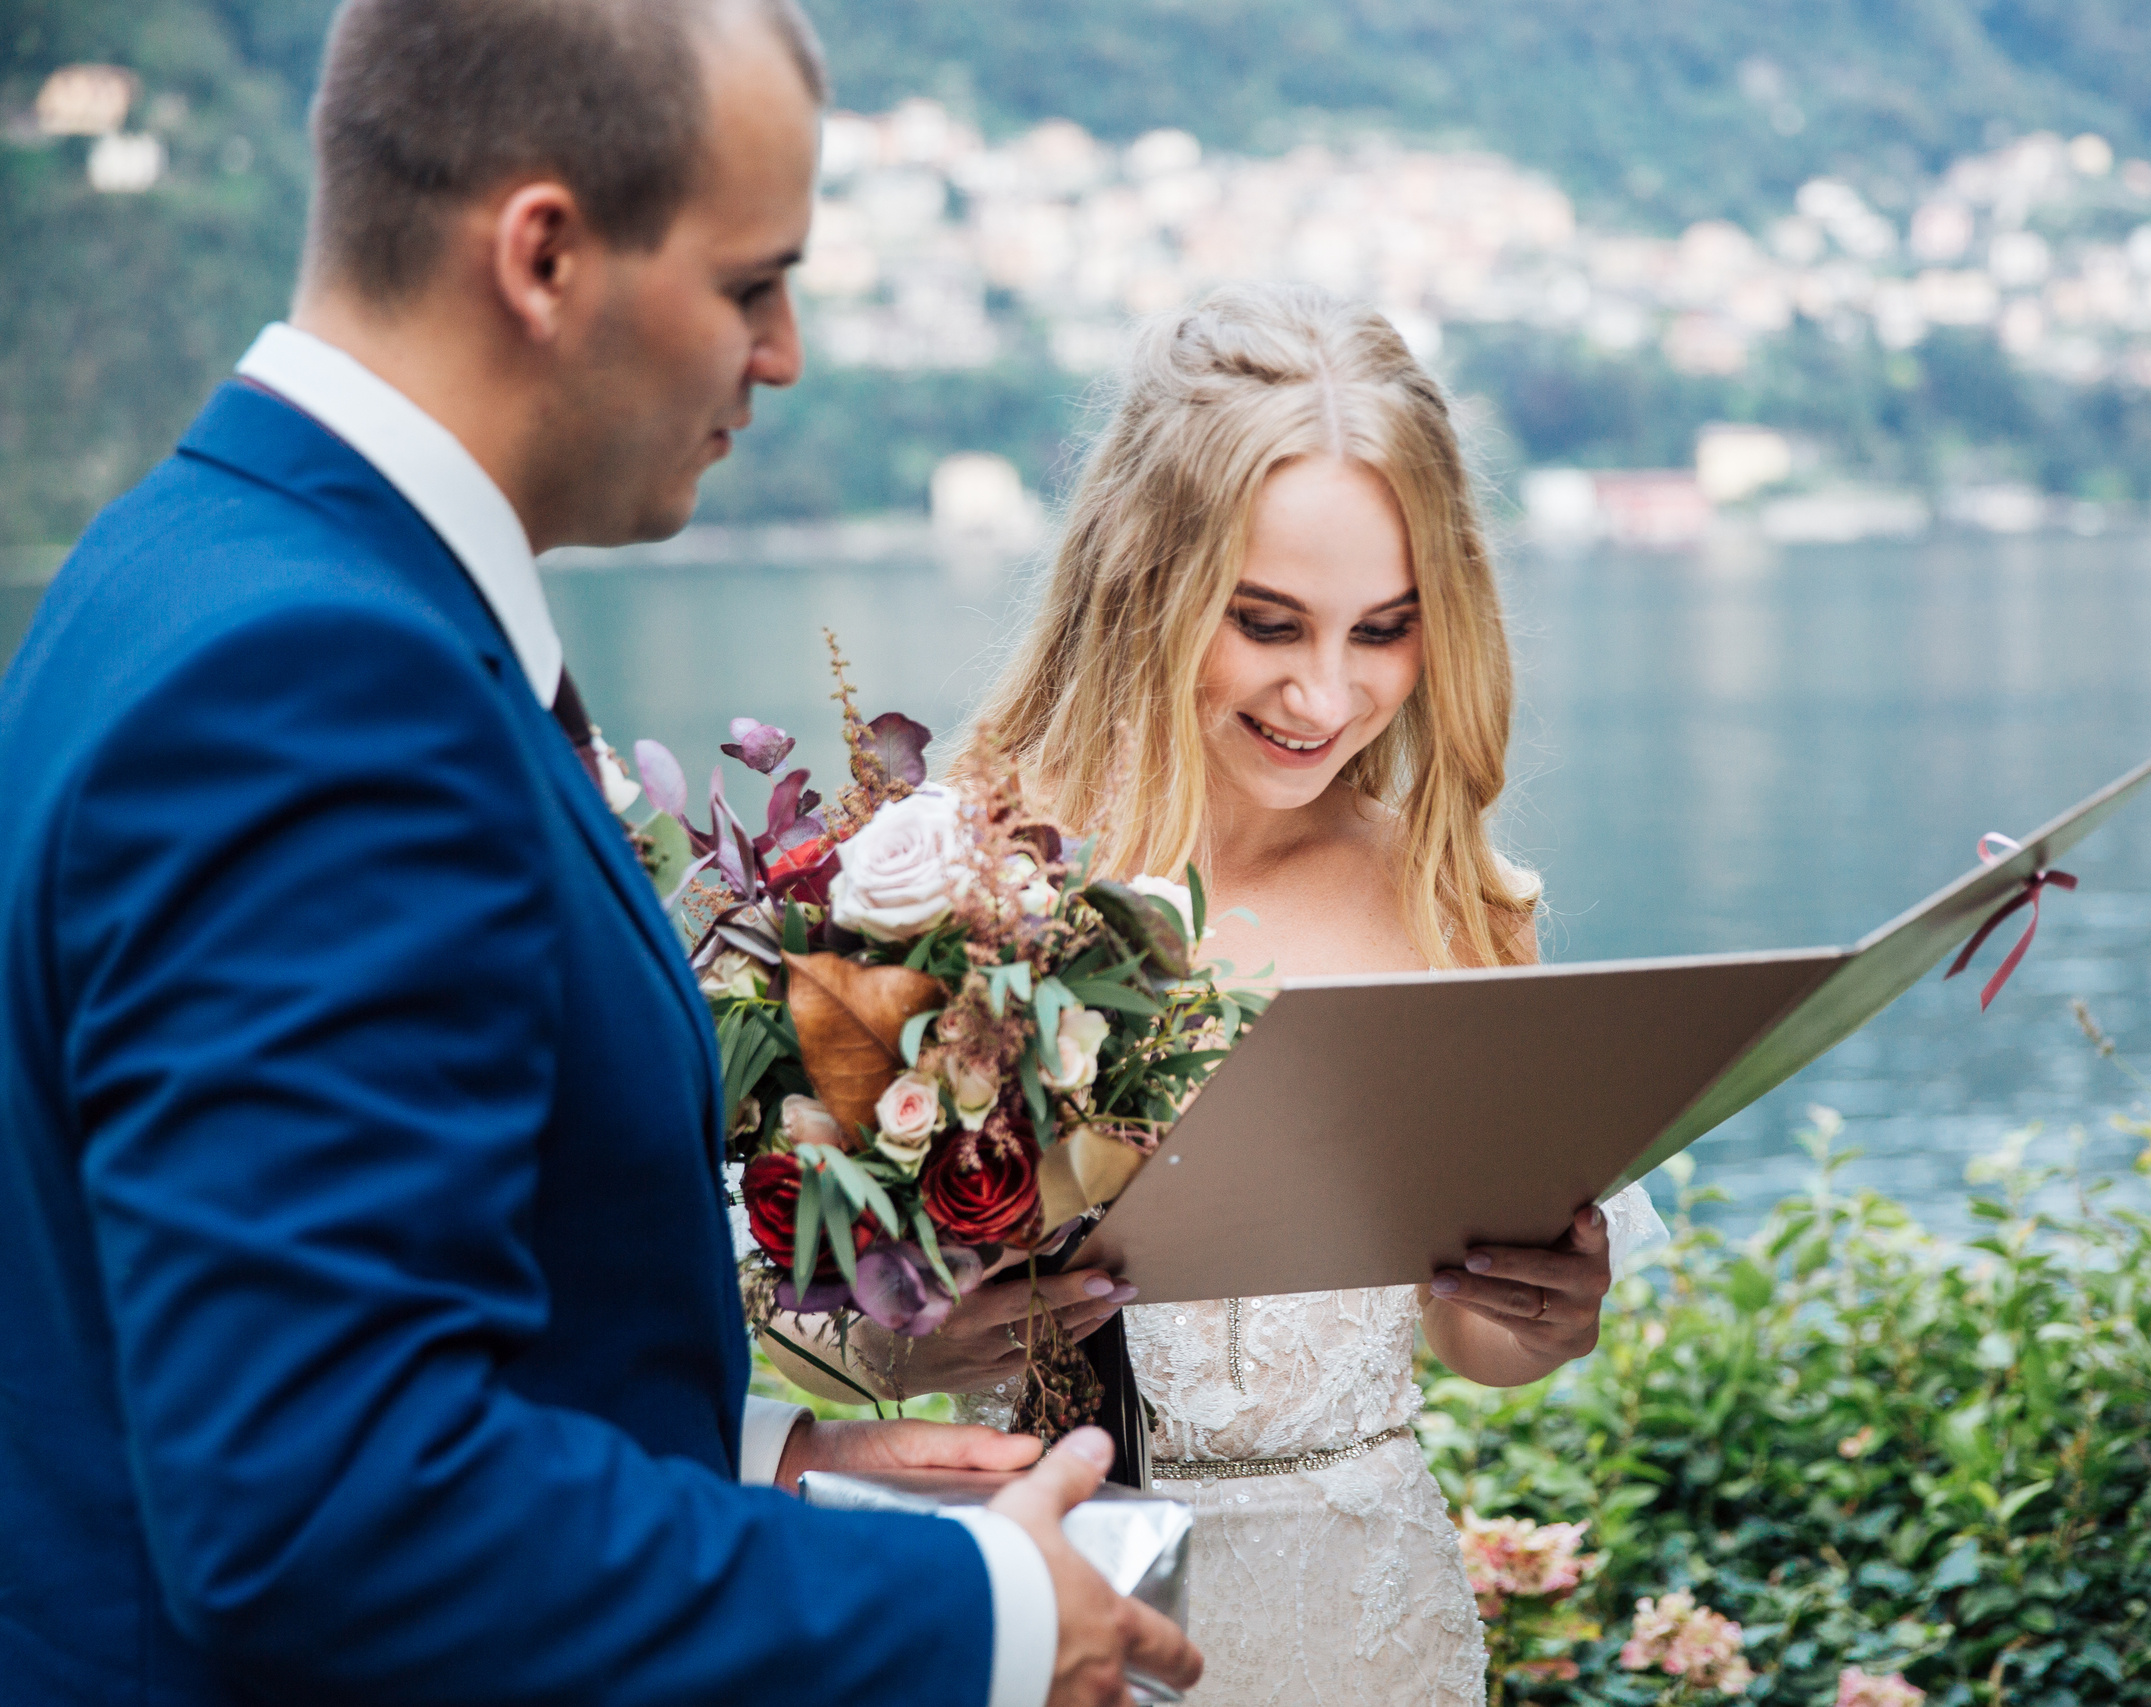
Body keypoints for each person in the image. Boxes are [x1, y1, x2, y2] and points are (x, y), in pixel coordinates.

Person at [0, 2, 1197, 1704]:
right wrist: (977, 1619)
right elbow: (323, 1510)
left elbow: (238, 1351)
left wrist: (760, 1469)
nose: (783, 353)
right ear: (545, 255)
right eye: (749, 282)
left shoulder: (181, 561)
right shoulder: (321, 684)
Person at [933, 282, 1666, 1704]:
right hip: (1050, 1608)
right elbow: (797, 1323)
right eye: (1268, 624)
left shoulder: (1448, 901)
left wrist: (1542, 1315)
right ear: (1144, 578)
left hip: (1374, 1632)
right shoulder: (956, 879)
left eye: (1383, 630)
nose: (1325, 698)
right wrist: (911, 1340)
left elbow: (1468, 1330)